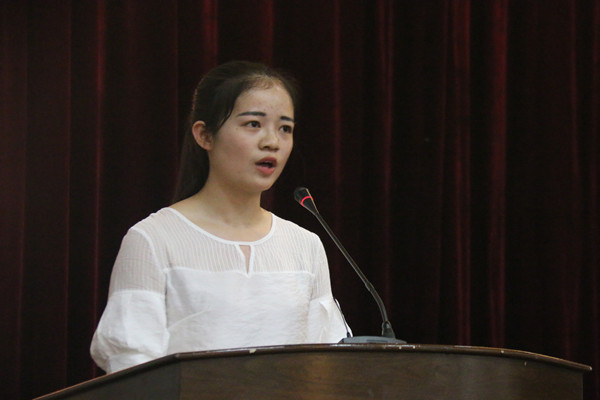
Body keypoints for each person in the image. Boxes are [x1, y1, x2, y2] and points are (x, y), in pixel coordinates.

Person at [90, 61, 349, 373]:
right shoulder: (153, 240)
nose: (272, 141)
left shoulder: (305, 245)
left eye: (285, 128)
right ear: (205, 135)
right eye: (253, 124)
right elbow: (132, 370)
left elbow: (326, 365)